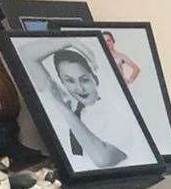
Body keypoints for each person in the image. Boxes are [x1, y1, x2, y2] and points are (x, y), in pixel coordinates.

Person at [17, 38, 148, 171]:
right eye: (70, 81)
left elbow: (103, 159)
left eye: (84, 80)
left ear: (94, 78)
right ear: (62, 82)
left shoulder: (115, 110)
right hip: (66, 179)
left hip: (114, 184)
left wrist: (64, 109)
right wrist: (69, 41)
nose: (79, 88)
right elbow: (25, 54)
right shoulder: (65, 99)